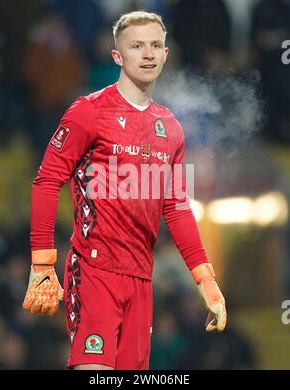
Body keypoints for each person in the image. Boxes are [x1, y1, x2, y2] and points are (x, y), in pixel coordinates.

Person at [22, 11, 227, 370]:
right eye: (136, 46)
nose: (147, 54)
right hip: (94, 271)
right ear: (117, 56)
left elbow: (176, 207)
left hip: (142, 281)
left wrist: (205, 279)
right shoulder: (88, 112)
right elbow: (47, 180)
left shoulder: (171, 128)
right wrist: (42, 262)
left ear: (166, 54)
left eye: (155, 46)